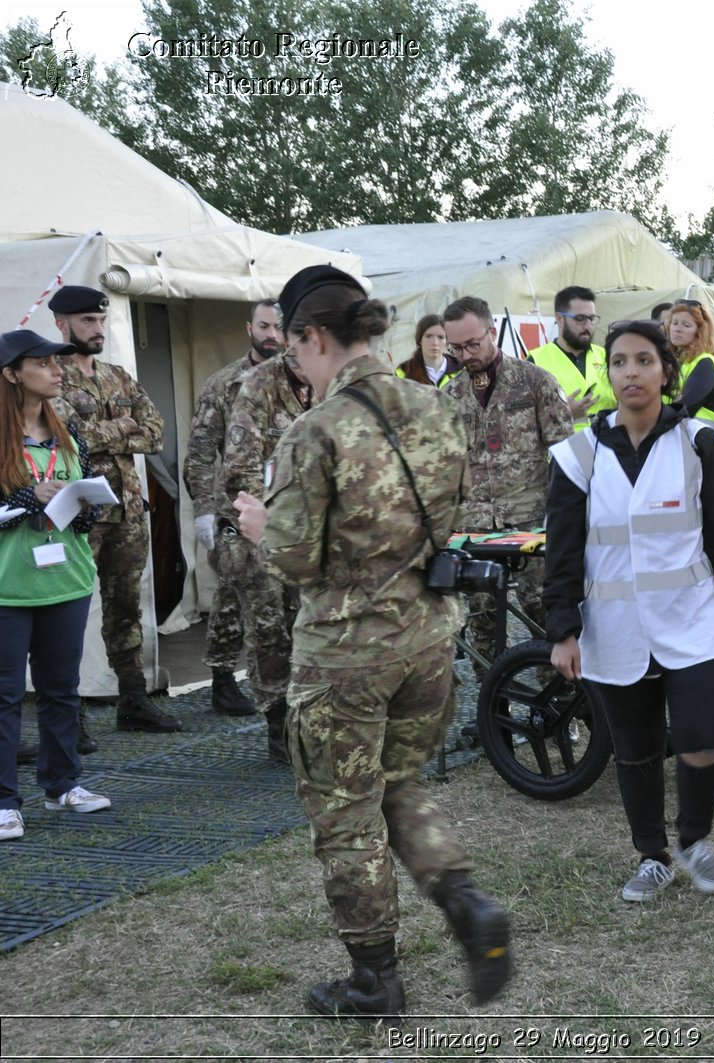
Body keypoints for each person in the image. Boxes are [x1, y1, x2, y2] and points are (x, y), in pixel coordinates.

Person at [234, 265, 512, 1021]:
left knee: (346, 817)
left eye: (296, 350)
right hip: (427, 638)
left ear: (313, 338)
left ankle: (373, 982)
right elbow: (449, 516)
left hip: (346, 656)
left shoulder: (313, 429)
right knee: (398, 787)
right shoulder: (437, 406)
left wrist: (259, 527)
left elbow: (292, 558)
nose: (295, 363)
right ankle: (466, 904)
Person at [545, 319, 714, 901]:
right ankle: (652, 855)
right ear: (609, 373)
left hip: (694, 618)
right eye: (619, 362)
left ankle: (694, 838)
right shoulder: (577, 455)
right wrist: (563, 629)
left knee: (704, 738)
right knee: (635, 749)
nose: (631, 372)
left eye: (644, 360)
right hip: (614, 628)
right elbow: (561, 552)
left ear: (667, 372)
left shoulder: (695, 443)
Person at [49, 285, 177, 736]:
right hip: (78, 511)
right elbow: (70, 436)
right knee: (68, 613)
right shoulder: (49, 377)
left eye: (101, 320)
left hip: (127, 511)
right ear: (61, 324)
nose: (98, 328)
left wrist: (105, 430)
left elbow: (157, 434)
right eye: (88, 321)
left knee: (125, 609)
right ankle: (68, 713)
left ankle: (134, 700)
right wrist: (127, 426)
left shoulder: (119, 376)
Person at [1, 329, 111, 843]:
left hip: (67, 579)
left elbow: (78, 524)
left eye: (57, 361)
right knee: (4, 698)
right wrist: (29, 496)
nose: (57, 368)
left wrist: (84, 505)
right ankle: (4, 803)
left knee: (61, 690)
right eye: (43, 362)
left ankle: (63, 784)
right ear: (11, 374)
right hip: (8, 587)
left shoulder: (69, 437)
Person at [441, 296, 572, 666]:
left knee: (546, 616)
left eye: (473, 344)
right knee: (483, 623)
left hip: (531, 525)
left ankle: (556, 710)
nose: (465, 355)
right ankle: (491, 713)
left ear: (492, 332)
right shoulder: (449, 396)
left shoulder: (535, 382)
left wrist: (565, 522)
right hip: (476, 531)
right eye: (457, 348)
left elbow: (566, 457)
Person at [183, 299, 283, 718]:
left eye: (279, 327)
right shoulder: (225, 383)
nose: (271, 335)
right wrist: (204, 508)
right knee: (232, 593)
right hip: (235, 511)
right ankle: (225, 680)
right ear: (249, 328)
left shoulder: (305, 379)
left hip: (289, 509)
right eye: (264, 326)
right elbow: (201, 451)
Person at [222, 339, 317, 763]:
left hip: (312, 533)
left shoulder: (328, 383)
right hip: (260, 532)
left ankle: (309, 721)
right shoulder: (258, 386)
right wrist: (277, 522)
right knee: (269, 634)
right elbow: (239, 471)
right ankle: (278, 726)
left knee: (308, 628)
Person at [664, 300, 714, 472]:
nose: (677, 328)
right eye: (674, 323)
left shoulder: (705, 364)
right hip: (690, 460)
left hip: (707, 465)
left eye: (686, 325)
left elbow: (683, 408)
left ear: (699, 332)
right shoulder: (681, 364)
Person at [528, 286, 614, 431]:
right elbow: (521, 420)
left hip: (609, 447)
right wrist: (564, 413)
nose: (587, 325)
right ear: (560, 319)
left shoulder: (609, 357)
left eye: (592, 318)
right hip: (563, 449)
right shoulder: (535, 361)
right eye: (580, 319)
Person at [395, 314, 462, 388]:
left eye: (440, 337)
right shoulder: (403, 372)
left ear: (446, 341)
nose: (435, 343)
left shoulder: (461, 370)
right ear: (420, 340)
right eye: (429, 336)